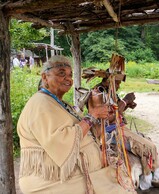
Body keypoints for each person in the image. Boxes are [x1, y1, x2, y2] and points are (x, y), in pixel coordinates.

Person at [17, 55, 135, 194]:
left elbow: (86, 132)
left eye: (70, 75)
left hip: (76, 175)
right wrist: (93, 115)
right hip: (53, 181)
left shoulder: (59, 103)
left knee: (120, 181)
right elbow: (60, 142)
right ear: (45, 77)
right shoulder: (40, 104)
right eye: (61, 73)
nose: (68, 78)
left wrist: (103, 119)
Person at [87, 68, 159, 191]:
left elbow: (115, 111)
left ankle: (151, 175)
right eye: (117, 83)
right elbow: (107, 118)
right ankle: (148, 179)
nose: (118, 86)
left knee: (148, 143)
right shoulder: (97, 93)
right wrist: (125, 101)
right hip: (109, 133)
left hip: (119, 128)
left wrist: (127, 104)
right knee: (147, 147)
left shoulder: (109, 91)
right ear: (109, 80)